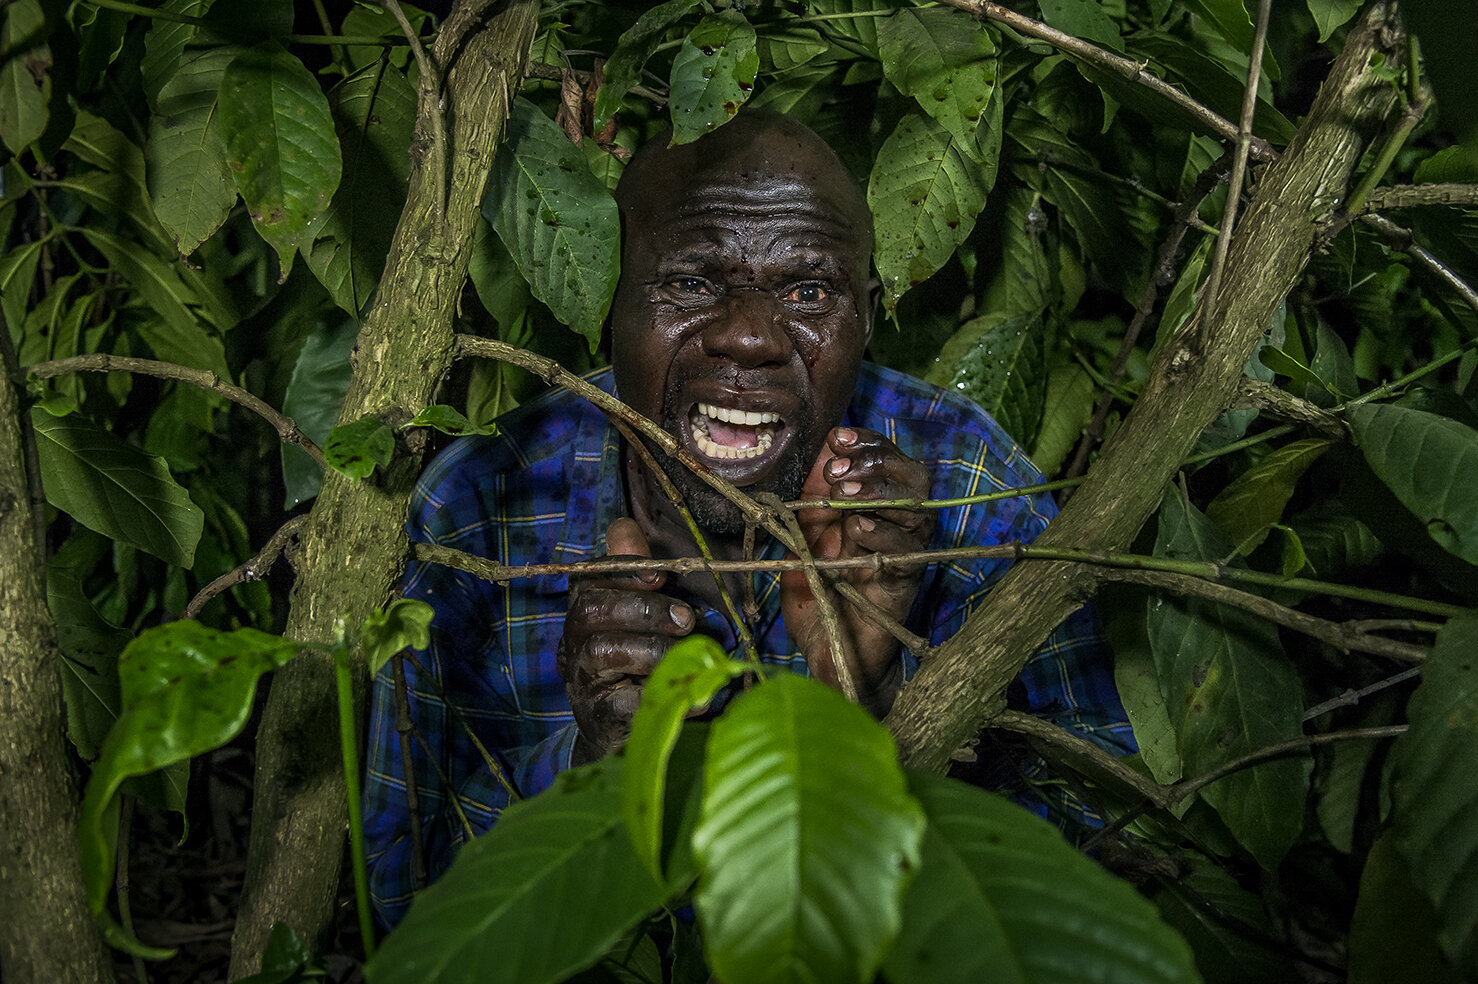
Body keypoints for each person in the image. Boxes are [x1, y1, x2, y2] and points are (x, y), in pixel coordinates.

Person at [363, 111, 1134, 927]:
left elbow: (1113, 844)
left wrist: (875, 705)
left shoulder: (968, 483)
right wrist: (593, 775)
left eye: (808, 291)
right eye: (691, 284)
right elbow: (401, 899)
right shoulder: (483, 504)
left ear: (867, 316)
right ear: (607, 298)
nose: (749, 337)